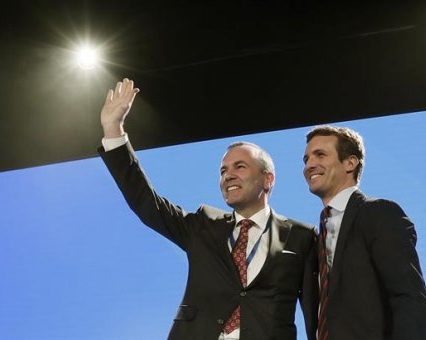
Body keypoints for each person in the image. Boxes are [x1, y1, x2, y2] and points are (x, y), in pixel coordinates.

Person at [98, 78, 318, 340]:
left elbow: (315, 313)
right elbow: (146, 203)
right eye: (223, 171)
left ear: (267, 179)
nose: (229, 176)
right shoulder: (203, 224)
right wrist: (114, 130)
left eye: (240, 167)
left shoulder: (302, 236)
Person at [302, 125, 426, 340]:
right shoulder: (315, 238)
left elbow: (409, 298)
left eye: (320, 155)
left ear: (350, 163)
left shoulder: (378, 213)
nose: (310, 165)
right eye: (306, 159)